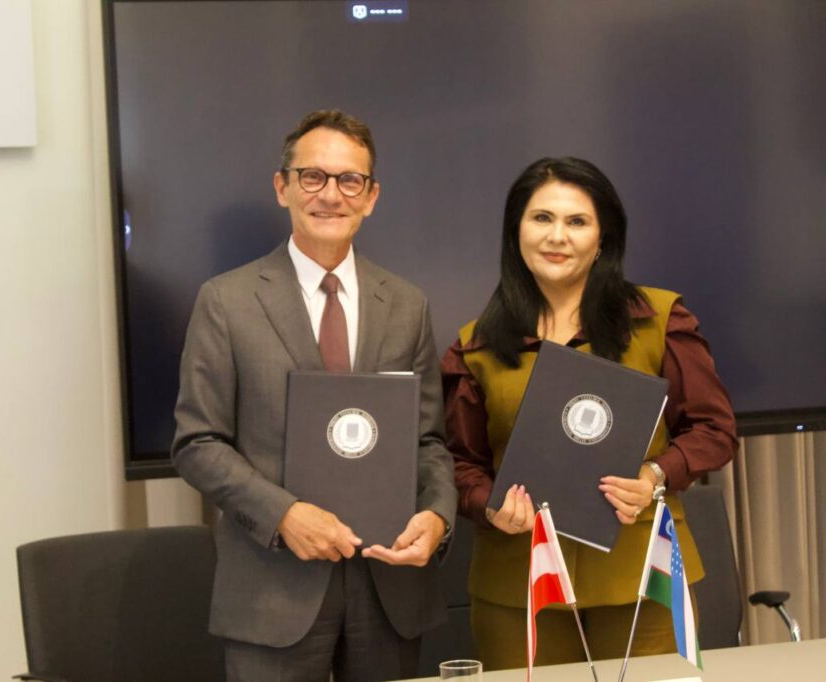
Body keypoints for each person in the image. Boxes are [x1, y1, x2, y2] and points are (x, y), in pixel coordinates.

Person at [171, 109, 456, 682]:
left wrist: (438, 516)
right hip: (273, 589)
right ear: (283, 187)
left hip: (388, 588)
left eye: (350, 180)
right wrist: (284, 514)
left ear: (371, 197)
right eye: (313, 177)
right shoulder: (226, 301)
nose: (331, 194)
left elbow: (428, 441)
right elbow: (197, 443)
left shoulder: (407, 305)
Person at [441, 157, 737, 670]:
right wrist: (489, 503)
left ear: (603, 239)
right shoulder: (474, 346)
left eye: (577, 221)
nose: (557, 236)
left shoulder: (659, 320)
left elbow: (714, 430)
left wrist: (654, 475)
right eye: (542, 218)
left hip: (640, 578)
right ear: (516, 232)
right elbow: (457, 462)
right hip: (520, 586)